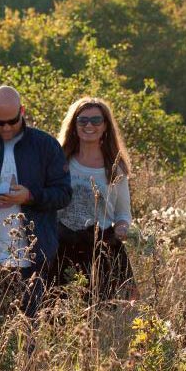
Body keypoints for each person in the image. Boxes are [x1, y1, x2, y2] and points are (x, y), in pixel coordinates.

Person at [0, 86, 72, 317]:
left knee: (28, 331)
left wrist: (29, 196)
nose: (6, 127)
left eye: (12, 121)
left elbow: (64, 194)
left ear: (22, 111)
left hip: (33, 257)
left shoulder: (45, 145)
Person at [55, 97, 136, 303]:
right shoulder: (61, 161)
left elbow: (123, 214)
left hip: (102, 251)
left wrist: (122, 228)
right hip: (62, 249)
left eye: (96, 120)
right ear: (74, 125)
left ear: (105, 126)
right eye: (82, 120)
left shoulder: (115, 168)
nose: (89, 125)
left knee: (103, 313)